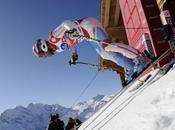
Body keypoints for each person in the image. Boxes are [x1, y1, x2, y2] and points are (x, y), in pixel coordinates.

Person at [32, 17, 151, 84]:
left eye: (44, 55)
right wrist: (74, 54)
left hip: (88, 25)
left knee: (106, 46)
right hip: (86, 36)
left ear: (43, 47)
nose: (46, 56)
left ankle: (140, 58)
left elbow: (65, 23)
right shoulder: (56, 49)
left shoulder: (53, 37)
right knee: (104, 55)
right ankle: (131, 67)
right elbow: (69, 42)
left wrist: (72, 30)